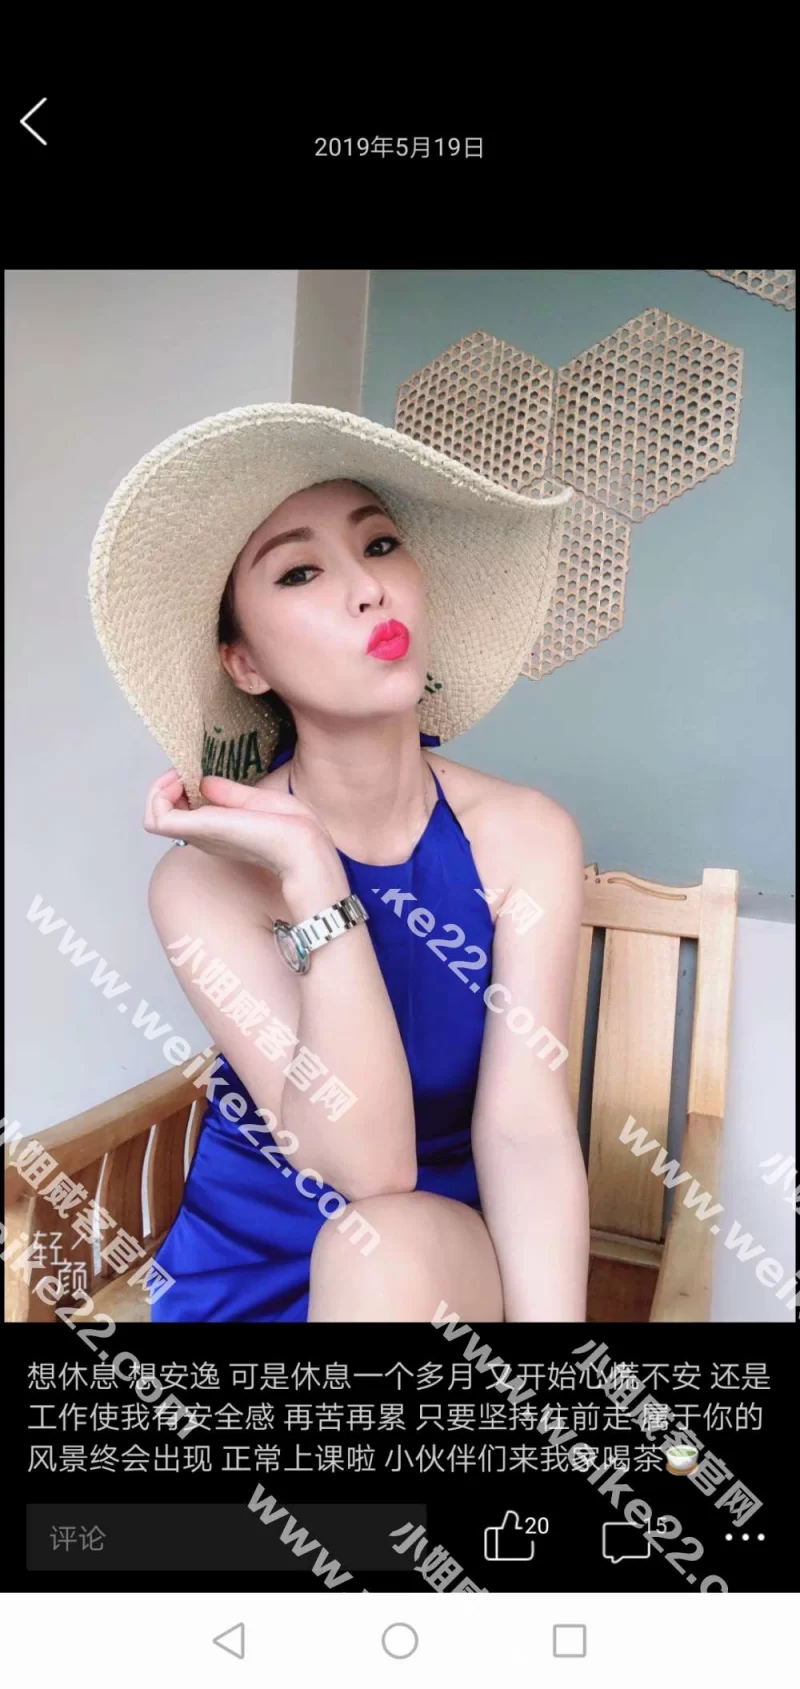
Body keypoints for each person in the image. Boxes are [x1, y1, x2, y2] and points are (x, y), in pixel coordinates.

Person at [89, 401, 590, 1321]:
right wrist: (312, 872)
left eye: (381, 545)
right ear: (244, 663)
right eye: (301, 570)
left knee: (385, 1247)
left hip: (435, 1267)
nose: (368, 589)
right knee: (374, 1233)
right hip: (250, 1266)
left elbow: (526, 1133)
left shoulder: (528, 836)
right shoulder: (204, 881)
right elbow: (362, 1162)